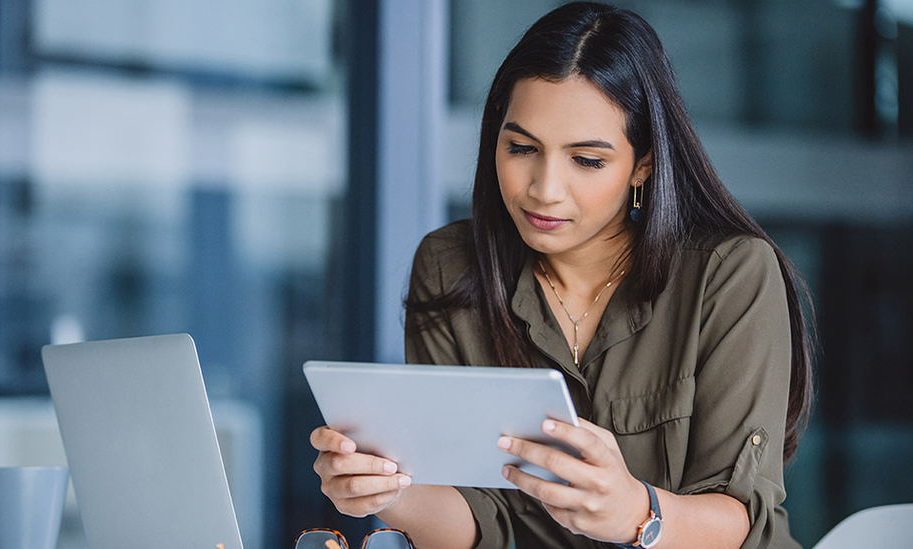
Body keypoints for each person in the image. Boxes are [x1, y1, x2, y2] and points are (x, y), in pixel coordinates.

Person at [310, 3, 814, 548]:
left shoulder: (728, 275)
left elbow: (748, 516)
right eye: (522, 148)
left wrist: (636, 513)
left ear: (642, 162)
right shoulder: (451, 267)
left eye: (587, 160)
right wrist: (391, 493)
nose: (545, 189)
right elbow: (485, 523)